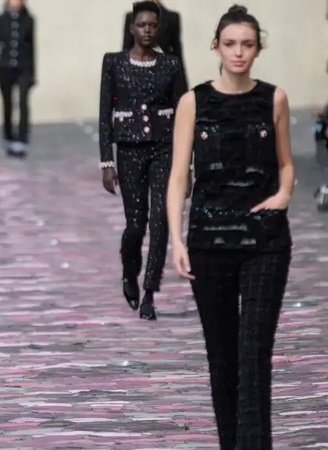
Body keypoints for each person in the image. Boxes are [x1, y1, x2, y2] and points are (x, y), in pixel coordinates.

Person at [167, 5, 293, 449]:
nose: (239, 52)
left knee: (254, 355)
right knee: (222, 358)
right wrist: (176, 239)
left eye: (248, 44)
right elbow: (179, 175)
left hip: (265, 241)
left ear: (258, 49)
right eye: (230, 44)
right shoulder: (193, 101)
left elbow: (286, 163)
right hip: (208, 241)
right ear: (216, 47)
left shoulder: (274, 98)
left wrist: (283, 196)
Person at [99, 0, 186, 320]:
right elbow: (104, 113)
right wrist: (106, 162)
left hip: (164, 148)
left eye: (153, 25)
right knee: (136, 225)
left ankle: (150, 291)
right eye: (142, 25)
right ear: (131, 28)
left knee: (162, 219)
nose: (148, 30)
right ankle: (129, 272)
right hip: (130, 150)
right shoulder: (114, 63)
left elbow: (183, 112)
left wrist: (187, 163)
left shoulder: (171, 65)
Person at [0, 0, 35, 158]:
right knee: (7, 103)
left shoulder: (29, 19)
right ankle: (8, 136)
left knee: (22, 103)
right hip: (5, 67)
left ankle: (22, 139)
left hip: (24, 68)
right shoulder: (0, 19)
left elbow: (32, 47)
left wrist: (33, 73)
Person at [122, 0, 188, 90]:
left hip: (164, 75)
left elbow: (177, 51)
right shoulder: (131, 17)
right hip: (135, 73)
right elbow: (126, 48)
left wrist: (183, 86)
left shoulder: (172, 17)